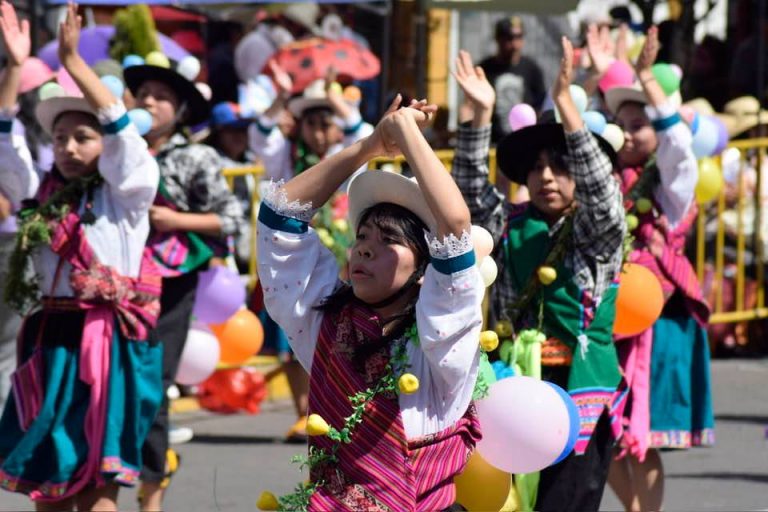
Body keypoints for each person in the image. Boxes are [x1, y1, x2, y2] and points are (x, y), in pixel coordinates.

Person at [256, 94, 484, 510]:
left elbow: (454, 227)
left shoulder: (441, 338)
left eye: (389, 241)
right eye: (362, 237)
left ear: (424, 268)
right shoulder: (324, 321)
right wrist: (371, 146)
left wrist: (408, 134)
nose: (364, 250)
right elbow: (279, 218)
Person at [0, 3, 163, 510]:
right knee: (47, 491)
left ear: (105, 143)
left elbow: (123, 136)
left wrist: (75, 64)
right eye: (60, 137)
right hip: (49, 342)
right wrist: (11, 69)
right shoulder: (40, 195)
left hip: (106, 343)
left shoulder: (127, 195)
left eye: (82, 137)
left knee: (98, 489)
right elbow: (7, 149)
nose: (68, 146)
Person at [452, 38, 626, 511]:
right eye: (537, 167)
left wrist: (566, 106)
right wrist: (478, 116)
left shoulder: (597, 235)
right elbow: (469, 196)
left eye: (560, 166)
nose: (547, 176)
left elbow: (603, 197)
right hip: (511, 388)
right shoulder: (510, 225)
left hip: (579, 392)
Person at [123, 52, 246, 511]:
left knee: (150, 385)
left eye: (162, 97)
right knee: (110, 386)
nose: (151, 103)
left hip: (171, 286)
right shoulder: (115, 150)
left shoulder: (196, 156)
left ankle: (151, 495)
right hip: (112, 285)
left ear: (180, 111)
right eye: (144, 95)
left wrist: (176, 219)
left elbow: (231, 217)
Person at [602, 26, 714, 512]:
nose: (628, 131)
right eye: (620, 121)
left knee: (640, 437)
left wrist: (649, 84)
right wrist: (589, 74)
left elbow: (678, 155)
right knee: (597, 433)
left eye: (639, 122)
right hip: (607, 318)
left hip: (660, 321)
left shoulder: (671, 187)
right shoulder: (606, 180)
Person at [249, 63, 372, 442]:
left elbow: (363, 134)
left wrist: (336, 99)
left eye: (326, 123)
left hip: (338, 259)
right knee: (288, 337)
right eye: (312, 123)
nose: (320, 132)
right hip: (292, 258)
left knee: (338, 333)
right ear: (300, 126)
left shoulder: (345, 155)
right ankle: (304, 411)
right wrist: (282, 100)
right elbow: (260, 136)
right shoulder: (286, 158)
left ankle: (331, 406)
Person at [479, 16, 546, 143]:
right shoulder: (485, 69)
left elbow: (540, 105)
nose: (515, 44)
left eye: (519, 37)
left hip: (524, 140)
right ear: (498, 39)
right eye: (509, 38)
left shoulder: (531, 68)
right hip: (493, 141)